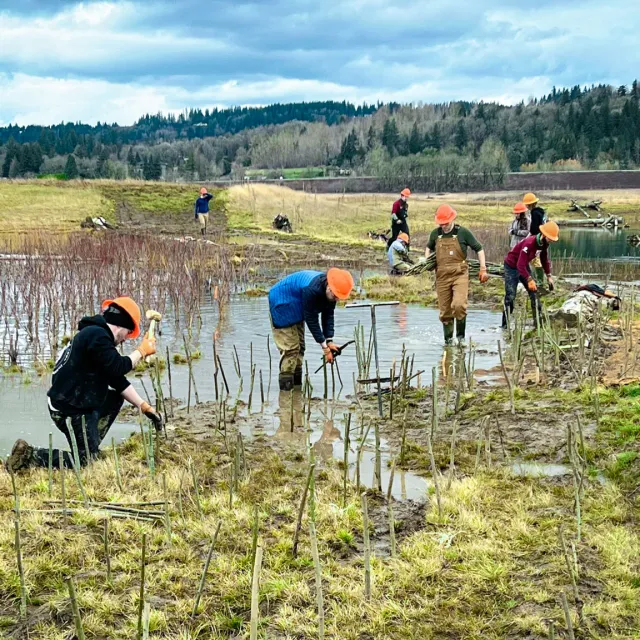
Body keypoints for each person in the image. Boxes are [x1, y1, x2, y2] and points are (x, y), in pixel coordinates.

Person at [6, 297, 163, 472]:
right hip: (68, 409)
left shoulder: (96, 337)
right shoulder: (97, 335)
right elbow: (118, 366)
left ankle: (90, 448)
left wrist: (144, 406)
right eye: (128, 332)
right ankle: (29, 455)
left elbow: (116, 379)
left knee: (115, 398)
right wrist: (142, 351)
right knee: (84, 463)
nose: (126, 338)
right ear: (120, 325)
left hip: (78, 404)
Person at [268, 268, 354, 390]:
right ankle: (286, 395)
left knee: (300, 348)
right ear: (329, 287)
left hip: (298, 304)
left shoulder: (331, 293)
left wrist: (329, 340)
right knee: (291, 350)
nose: (336, 300)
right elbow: (312, 320)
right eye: (335, 296)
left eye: (338, 298)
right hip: (282, 303)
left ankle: (296, 391)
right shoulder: (312, 290)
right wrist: (325, 348)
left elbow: (328, 315)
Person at [425, 204, 489, 345]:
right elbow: (429, 247)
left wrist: (483, 268)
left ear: (452, 219)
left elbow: (479, 249)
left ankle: (461, 339)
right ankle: (448, 342)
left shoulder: (463, 233)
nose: (444, 226)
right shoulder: (435, 234)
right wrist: (427, 261)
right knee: (445, 312)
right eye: (441, 224)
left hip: (460, 274)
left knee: (459, 305)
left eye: (446, 223)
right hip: (442, 276)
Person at [502, 221, 559, 329]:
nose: (551, 240)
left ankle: (537, 323)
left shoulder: (544, 244)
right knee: (510, 296)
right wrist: (529, 279)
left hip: (523, 266)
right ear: (544, 234)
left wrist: (549, 276)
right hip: (511, 266)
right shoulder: (529, 243)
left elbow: (544, 259)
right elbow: (519, 265)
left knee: (534, 294)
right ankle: (505, 326)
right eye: (550, 237)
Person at [523, 192, 547, 286]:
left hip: (537, 239)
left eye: (527, 204)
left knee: (535, 259)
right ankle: (537, 279)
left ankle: (540, 282)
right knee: (535, 259)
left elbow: (535, 228)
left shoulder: (535, 213)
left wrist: (532, 239)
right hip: (540, 238)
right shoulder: (540, 212)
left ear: (530, 204)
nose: (526, 206)